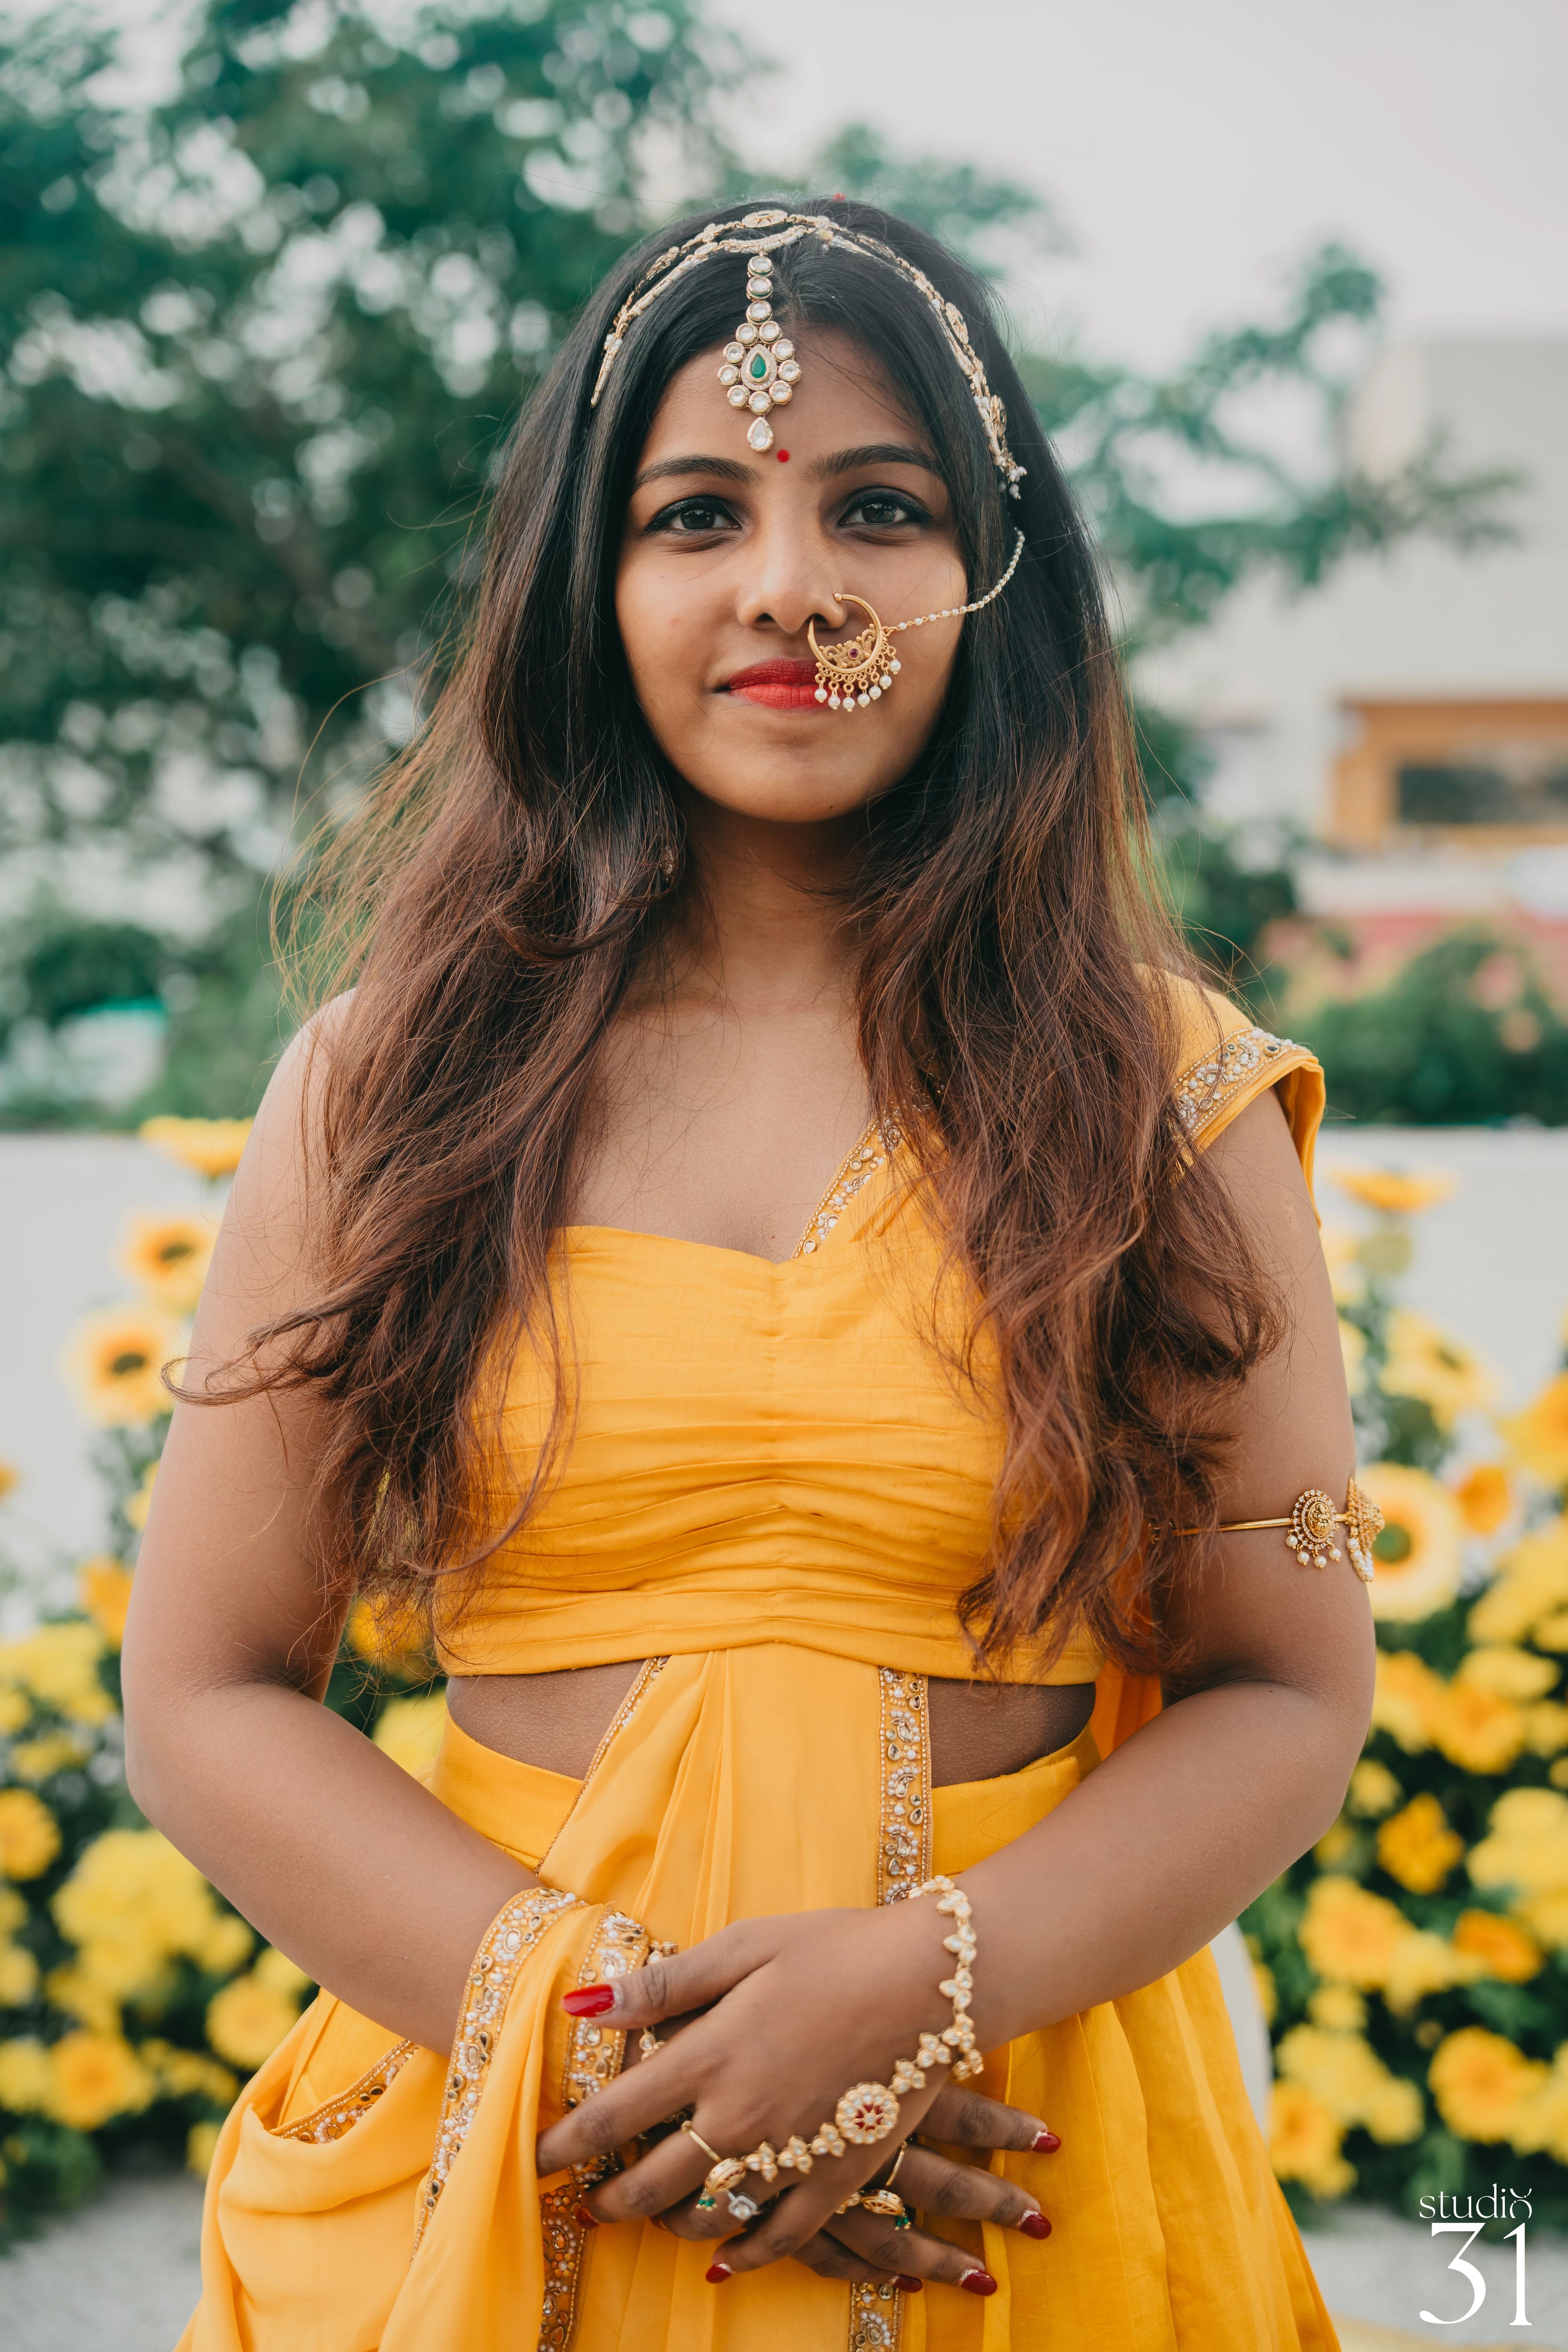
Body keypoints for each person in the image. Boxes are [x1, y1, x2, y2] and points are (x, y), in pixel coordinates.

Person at [124, 198, 1372, 2352]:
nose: (788, 585)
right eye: (697, 512)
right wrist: (627, 2043)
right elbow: (209, 1686)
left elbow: (1287, 1685)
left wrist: (926, 1974)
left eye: (875, 510)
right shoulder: (403, 1080)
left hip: (1015, 2161)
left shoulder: (1164, 1095)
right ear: (586, 592)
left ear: (990, 579)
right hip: (504, 2146)